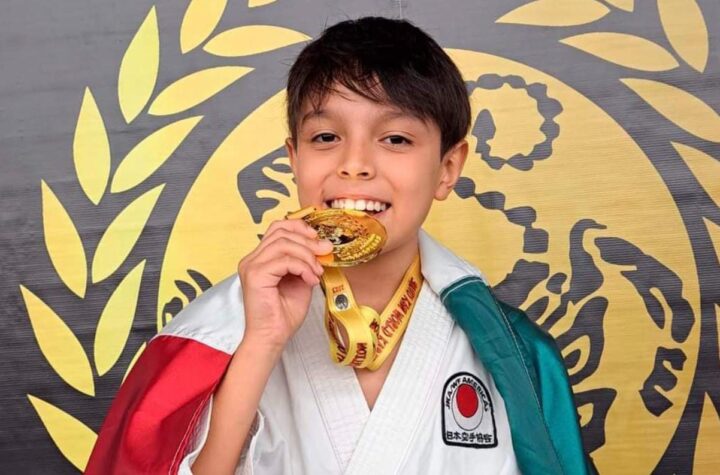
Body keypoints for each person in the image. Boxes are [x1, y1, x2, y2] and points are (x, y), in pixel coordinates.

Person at [85, 16, 592, 475]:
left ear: (447, 168)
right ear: (294, 158)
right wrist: (261, 343)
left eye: (396, 139)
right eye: (326, 137)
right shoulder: (209, 337)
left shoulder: (515, 355)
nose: (354, 164)